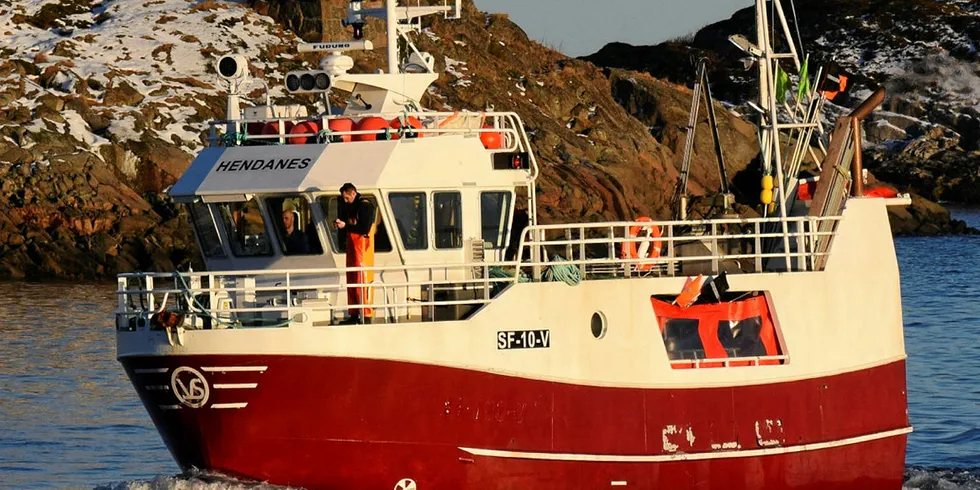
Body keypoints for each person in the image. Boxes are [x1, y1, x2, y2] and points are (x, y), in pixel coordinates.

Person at [335, 183, 376, 324]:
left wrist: (346, 226)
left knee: (363, 281)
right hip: (353, 248)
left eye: (347, 198)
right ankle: (354, 314)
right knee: (352, 280)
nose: (345, 201)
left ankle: (366, 315)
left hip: (363, 249)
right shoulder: (351, 207)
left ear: (353, 193)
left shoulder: (365, 206)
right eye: (343, 199)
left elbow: (364, 228)